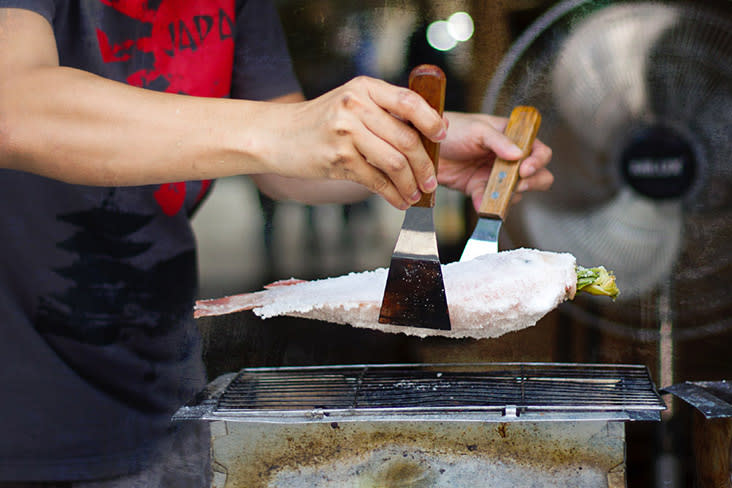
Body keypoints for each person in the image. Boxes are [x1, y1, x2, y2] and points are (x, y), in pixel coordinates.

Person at [0, 1, 553, 487]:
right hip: (19, 397)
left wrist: (414, 139)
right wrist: (286, 130)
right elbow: (13, 106)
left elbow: (288, 167)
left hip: (161, 384)